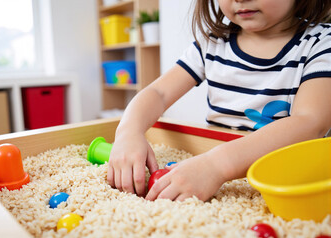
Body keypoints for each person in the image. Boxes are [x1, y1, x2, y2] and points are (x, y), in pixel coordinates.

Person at [107, 0, 331, 202]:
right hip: (211, 172)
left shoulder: (321, 42)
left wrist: (215, 166)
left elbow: (310, 121)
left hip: (284, 176)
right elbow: (159, 92)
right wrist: (129, 131)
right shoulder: (212, 43)